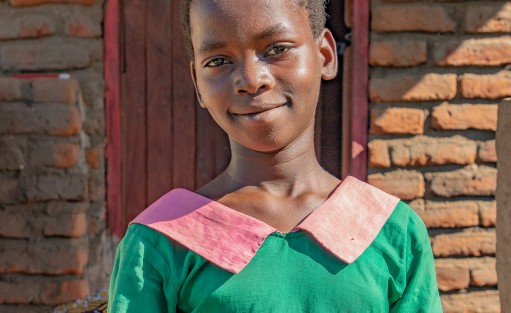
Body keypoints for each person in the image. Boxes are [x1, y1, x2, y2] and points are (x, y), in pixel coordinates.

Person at [109, 0, 443, 312]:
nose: (252, 80)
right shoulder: (160, 240)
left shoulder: (390, 230)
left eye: (277, 49)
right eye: (218, 61)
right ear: (198, 82)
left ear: (325, 55)